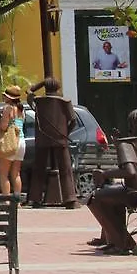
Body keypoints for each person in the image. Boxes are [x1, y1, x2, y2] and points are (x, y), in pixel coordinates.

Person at [86, 109, 137, 253]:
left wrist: (104, 174)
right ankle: (115, 239)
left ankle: (121, 242)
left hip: (135, 194)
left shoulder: (126, 144)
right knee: (112, 196)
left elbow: (130, 172)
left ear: (130, 125)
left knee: (94, 199)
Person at [27, 77, 78, 208]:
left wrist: (40, 84)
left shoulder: (38, 101)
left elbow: (29, 92)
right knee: (65, 169)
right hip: (60, 139)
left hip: (42, 138)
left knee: (39, 169)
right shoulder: (64, 101)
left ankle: (35, 198)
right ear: (58, 87)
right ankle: (70, 199)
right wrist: (66, 134)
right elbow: (73, 121)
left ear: (46, 87)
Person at [0, 85, 27, 203]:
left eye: (5, 96)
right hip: (21, 141)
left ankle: (6, 201)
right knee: (16, 173)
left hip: (10, 142)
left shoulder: (8, 108)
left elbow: (3, 126)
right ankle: (17, 202)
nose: (3, 97)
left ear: (9, 97)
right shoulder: (22, 110)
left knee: (3, 173)